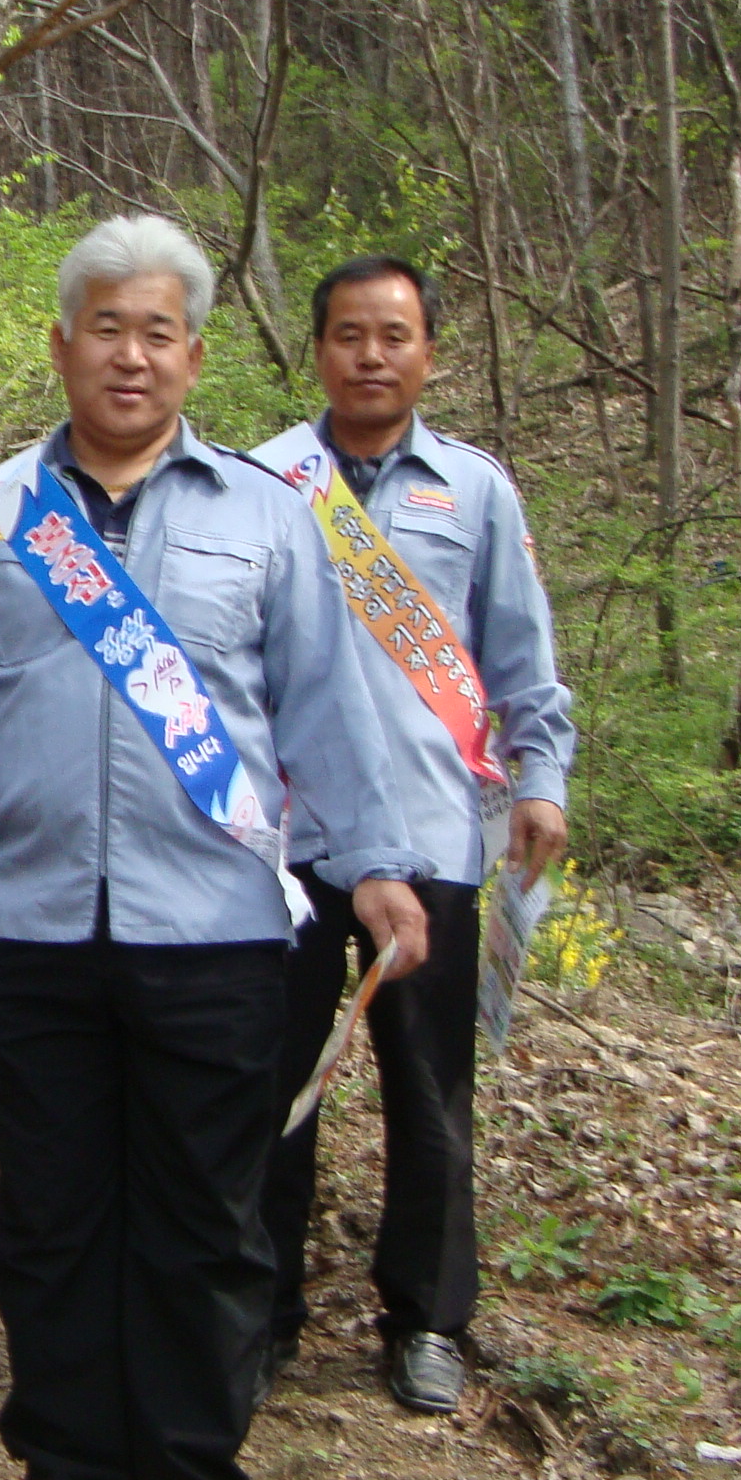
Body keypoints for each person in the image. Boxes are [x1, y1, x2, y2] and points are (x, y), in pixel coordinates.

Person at [0, 215, 430, 1480]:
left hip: (221, 934)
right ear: (63, 344)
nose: (131, 355)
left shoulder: (268, 518)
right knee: (54, 1223)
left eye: (157, 331)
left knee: (205, 1228)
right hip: (35, 932)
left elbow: (324, 711)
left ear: (195, 354)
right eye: (106, 328)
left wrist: (374, 866)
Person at [251, 256, 575, 1416]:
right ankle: (260, 1311)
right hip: (288, 841)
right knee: (272, 1085)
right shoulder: (261, 481)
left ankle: (429, 1319)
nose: (371, 356)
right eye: (349, 334)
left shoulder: (476, 492)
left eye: (393, 335)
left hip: (435, 835)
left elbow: (521, 653)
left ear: (430, 352)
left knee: (430, 1091)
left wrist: (543, 778)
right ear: (318, 350)